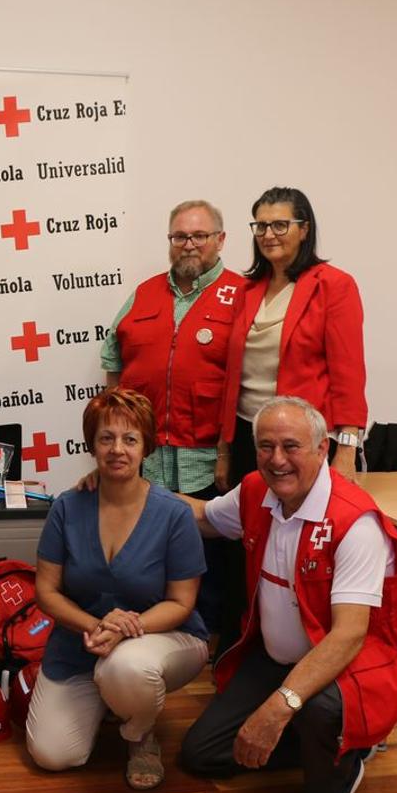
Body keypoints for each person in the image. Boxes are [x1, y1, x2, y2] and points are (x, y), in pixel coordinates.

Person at [178, 396, 397, 793]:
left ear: (323, 448)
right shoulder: (254, 490)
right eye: (266, 447)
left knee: (318, 720)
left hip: (347, 666)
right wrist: (127, 488)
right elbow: (205, 518)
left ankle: (341, 764)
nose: (277, 460)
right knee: (201, 754)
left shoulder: (354, 522)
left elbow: (348, 636)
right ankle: (327, 743)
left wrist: (278, 707)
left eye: (292, 446)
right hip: (276, 659)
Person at [26, 388, 210, 791]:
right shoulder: (67, 506)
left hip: (164, 638)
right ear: (92, 444)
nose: (117, 449)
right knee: (54, 755)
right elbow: (47, 592)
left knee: (126, 666)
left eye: (130, 439)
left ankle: (140, 733)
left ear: (146, 447)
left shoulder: (174, 514)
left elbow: (182, 602)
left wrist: (123, 628)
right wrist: (95, 625)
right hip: (80, 642)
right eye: (106, 438)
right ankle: (115, 701)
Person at [214, 186, 368, 653]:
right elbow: (231, 378)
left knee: (300, 546)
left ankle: (308, 644)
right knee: (248, 541)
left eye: (280, 224)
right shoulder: (248, 290)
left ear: (304, 229)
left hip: (302, 442)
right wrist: (225, 447)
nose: (269, 234)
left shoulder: (332, 285)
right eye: (260, 225)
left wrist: (345, 451)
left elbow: (348, 373)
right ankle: (250, 639)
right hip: (249, 435)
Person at [100, 198, 242, 631]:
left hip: (207, 456)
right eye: (179, 236)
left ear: (220, 240)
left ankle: (217, 636)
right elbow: (113, 361)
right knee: (152, 550)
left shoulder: (242, 295)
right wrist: (117, 436)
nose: (189, 245)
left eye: (199, 236)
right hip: (151, 457)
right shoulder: (143, 293)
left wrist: (227, 451)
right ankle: (155, 628)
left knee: (216, 555)